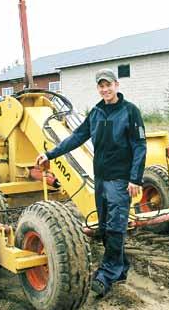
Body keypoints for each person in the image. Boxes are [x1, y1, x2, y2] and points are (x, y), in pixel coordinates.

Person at [35, 68, 147, 297]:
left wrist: (135, 178)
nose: (105, 89)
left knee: (116, 226)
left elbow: (139, 146)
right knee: (105, 227)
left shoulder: (130, 111)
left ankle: (106, 274)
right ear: (98, 88)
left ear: (117, 85)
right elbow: (77, 137)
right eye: (101, 86)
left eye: (108, 85)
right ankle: (121, 267)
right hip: (101, 179)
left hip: (120, 180)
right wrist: (51, 154)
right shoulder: (96, 112)